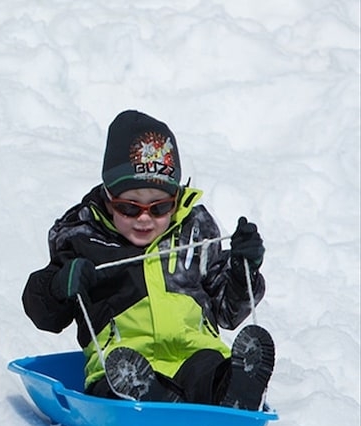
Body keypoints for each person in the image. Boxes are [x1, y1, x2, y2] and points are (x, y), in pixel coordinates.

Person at [22, 109, 274, 409]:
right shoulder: (84, 237)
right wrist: (57, 285)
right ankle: (147, 395)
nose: (145, 219)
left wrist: (243, 270)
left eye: (159, 208)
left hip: (194, 355)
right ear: (108, 197)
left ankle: (235, 391)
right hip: (122, 362)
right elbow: (45, 315)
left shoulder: (195, 230)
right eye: (130, 208)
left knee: (208, 369)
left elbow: (227, 311)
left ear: (176, 200)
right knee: (115, 382)